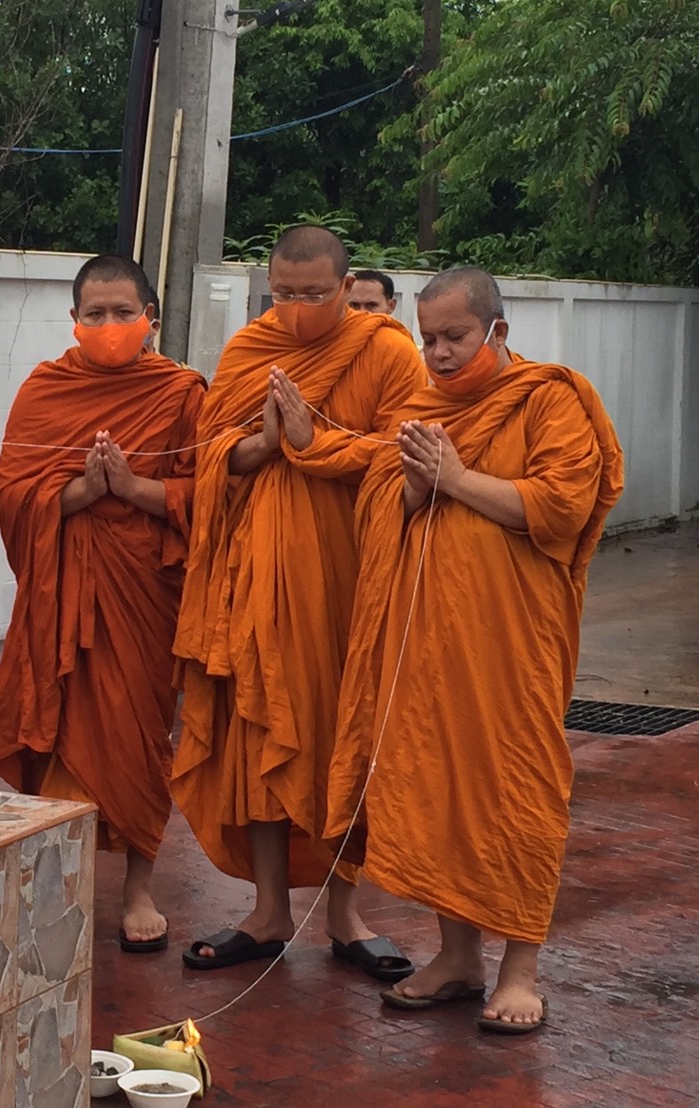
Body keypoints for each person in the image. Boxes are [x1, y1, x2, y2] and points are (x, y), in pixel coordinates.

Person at [325, 267, 623, 1033]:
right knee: (435, 790)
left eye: (455, 337)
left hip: (512, 646)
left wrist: (455, 479)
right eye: (429, 339)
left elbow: (562, 506)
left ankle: (519, 970)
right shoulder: (422, 409)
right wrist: (413, 495)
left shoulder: (550, 399)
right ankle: (458, 957)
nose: (441, 353)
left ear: (498, 330)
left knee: (517, 788)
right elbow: (379, 511)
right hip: (427, 646)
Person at [171, 226, 425, 976]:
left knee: (342, 737)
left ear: (348, 288)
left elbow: (404, 454)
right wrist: (264, 444)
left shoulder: (387, 352)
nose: (299, 309)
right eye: (284, 294)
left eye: (315, 295)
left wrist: (315, 443)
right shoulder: (250, 349)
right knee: (259, 731)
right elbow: (214, 451)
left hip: (348, 579)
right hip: (258, 579)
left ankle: (346, 916)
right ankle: (270, 908)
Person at [0, 254, 206, 952]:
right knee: (56, 726)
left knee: (141, 736)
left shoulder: (182, 393)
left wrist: (137, 489)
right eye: (95, 315)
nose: (109, 326)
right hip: (63, 594)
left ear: (152, 319)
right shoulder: (45, 389)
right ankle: (56, 878)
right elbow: (14, 492)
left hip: (143, 591)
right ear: (73, 321)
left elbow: (215, 495)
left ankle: (138, 888)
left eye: (122, 313)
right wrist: (82, 490)